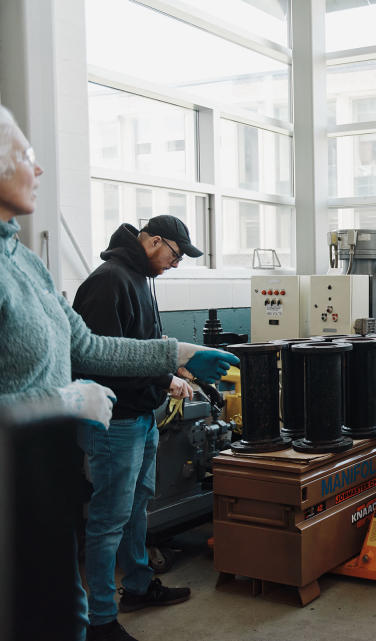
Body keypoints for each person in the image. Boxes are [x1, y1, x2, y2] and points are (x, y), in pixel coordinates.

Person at [0, 104, 238, 641]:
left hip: (48, 487)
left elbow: (85, 345)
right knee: (104, 524)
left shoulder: (27, 263)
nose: (38, 170)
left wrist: (176, 355)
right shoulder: (110, 280)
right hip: (31, 486)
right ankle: (105, 614)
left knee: (98, 555)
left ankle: (116, 601)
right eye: (24, 155)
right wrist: (57, 403)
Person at [72, 215, 206, 641]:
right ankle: (100, 621)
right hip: (114, 422)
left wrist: (171, 371)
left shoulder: (139, 278)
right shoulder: (108, 281)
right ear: (152, 240)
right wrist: (165, 376)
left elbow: (141, 347)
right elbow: (96, 359)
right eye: (175, 254)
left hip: (141, 417)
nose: (175, 263)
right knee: (108, 520)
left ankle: (137, 586)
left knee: (135, 509)